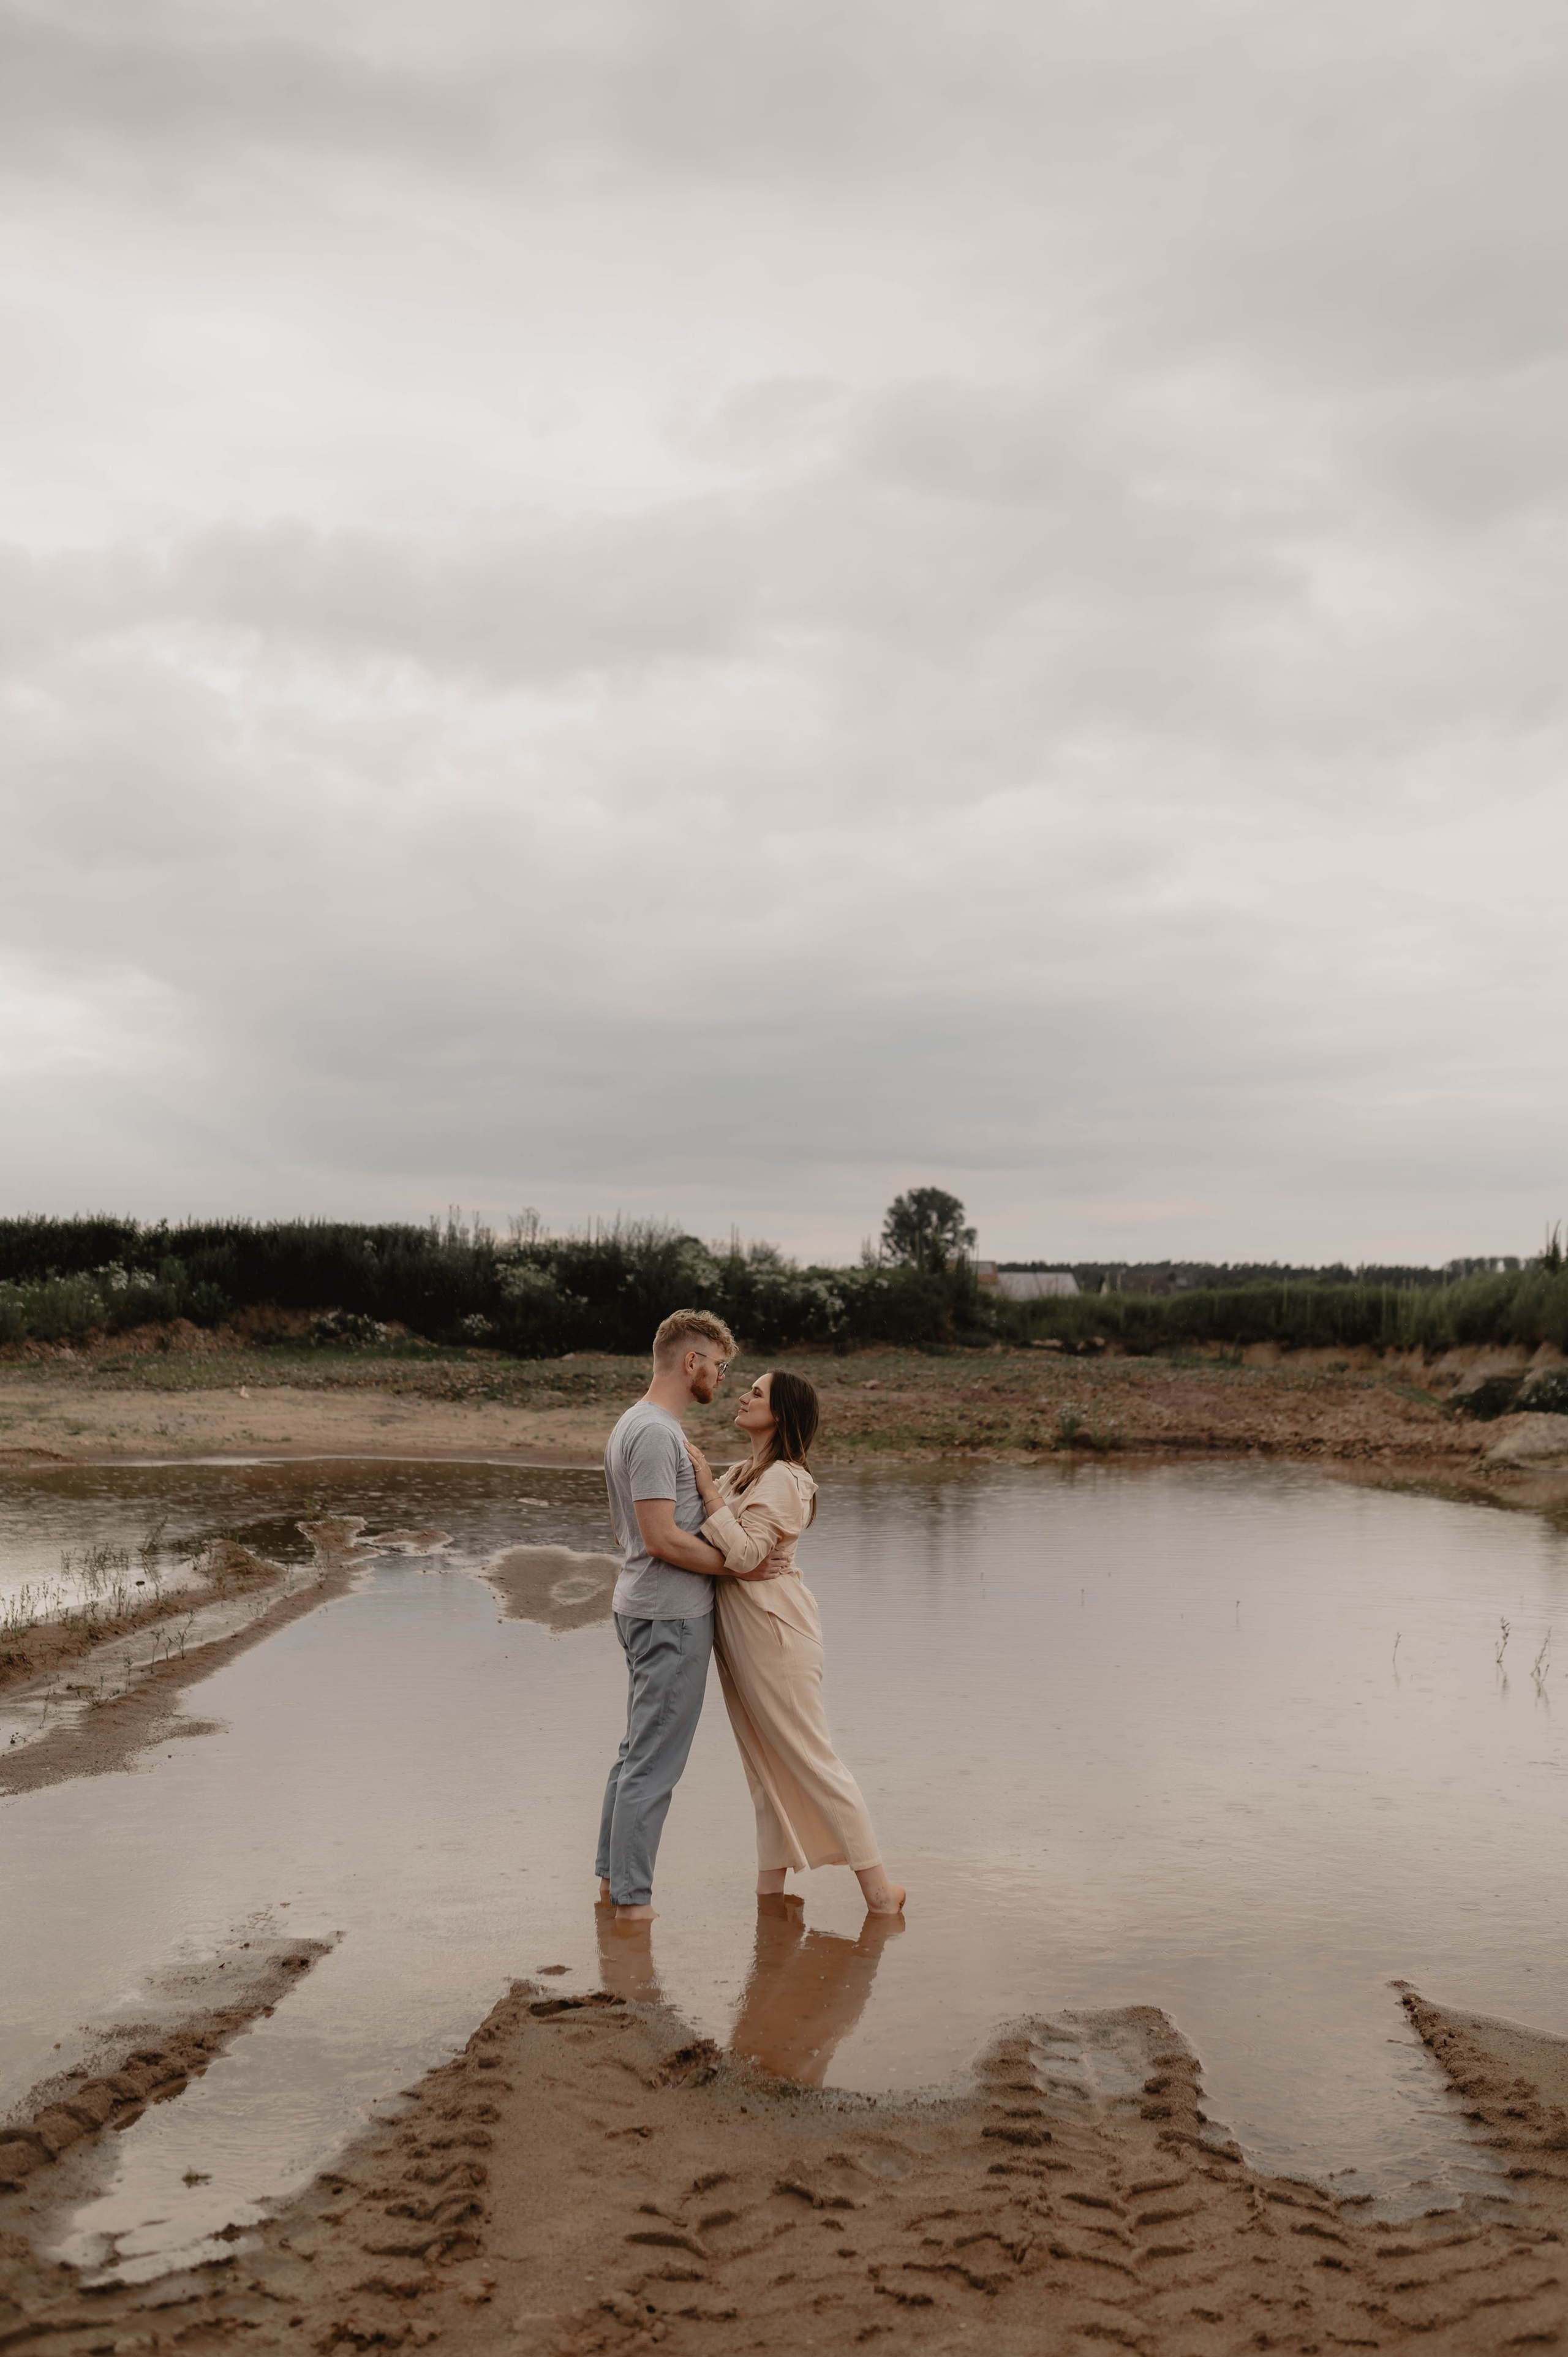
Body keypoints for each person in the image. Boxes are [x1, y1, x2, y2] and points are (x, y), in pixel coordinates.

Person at [684, 1370, 905, 1917]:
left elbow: (744, 1556)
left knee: (811, 1759)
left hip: (776, 1632)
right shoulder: (743, 1473)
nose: (742, 1396)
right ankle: (770, 1897)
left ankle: (880, 1891)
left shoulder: (784, 1477)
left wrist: (707, 1489)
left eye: (755, 1393)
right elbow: (721, 1546)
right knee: (762, 1768)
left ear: (780, 1413)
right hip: (742, 1634)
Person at [596, 1309, 780, 1923]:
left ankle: (612, 1888)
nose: (723, 1378)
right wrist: (740, 1567)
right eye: (719, 1365)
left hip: (648, 1608)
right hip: (668, 1614)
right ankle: (632, 1906)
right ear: (689, 1361)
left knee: (634, 1754)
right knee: (653, 1764)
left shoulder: (640, 1422)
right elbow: (661, 1539)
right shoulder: (653, 1432)